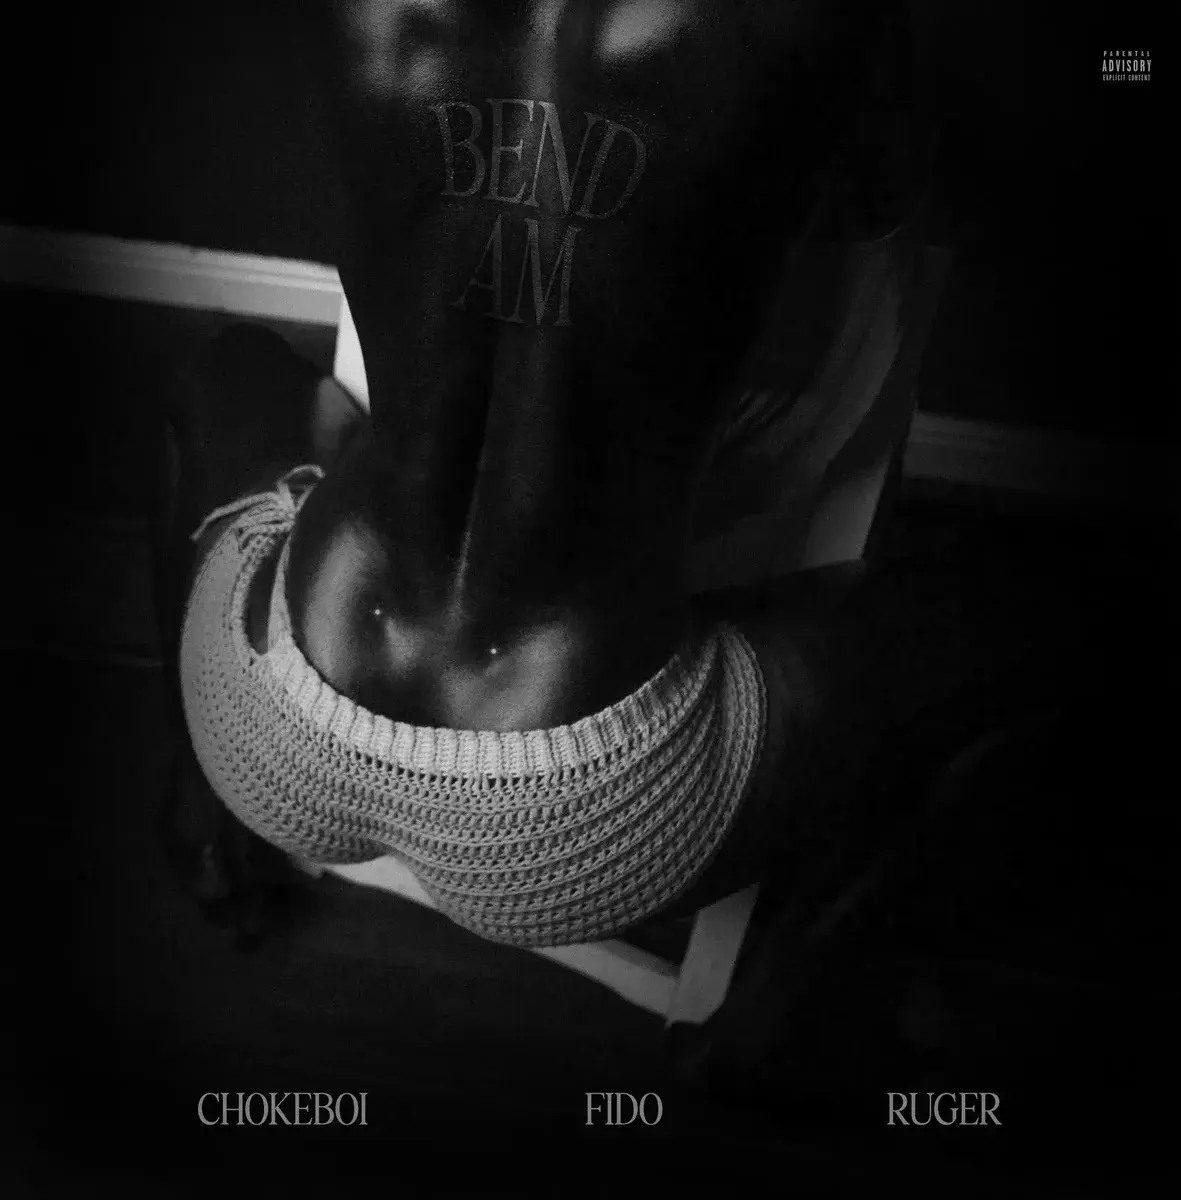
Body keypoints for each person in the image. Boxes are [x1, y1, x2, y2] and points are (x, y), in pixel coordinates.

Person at [160, 0, 953, 953]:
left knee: (220, 371)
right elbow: (886, 207)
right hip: (599, 809)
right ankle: (803, 995)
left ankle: (193, 793)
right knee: (1033, 634)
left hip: (268, 716)